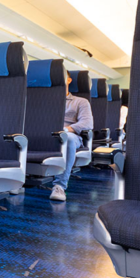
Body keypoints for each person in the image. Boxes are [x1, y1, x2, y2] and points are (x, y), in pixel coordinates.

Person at [50, 72, 93, 201]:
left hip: (71, 135)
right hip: (46, 134)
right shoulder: (45, 101)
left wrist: (65, 129)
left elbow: (87, 123)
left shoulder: (80, 102)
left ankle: (60, 186)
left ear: (69, 80)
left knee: (67, 138)